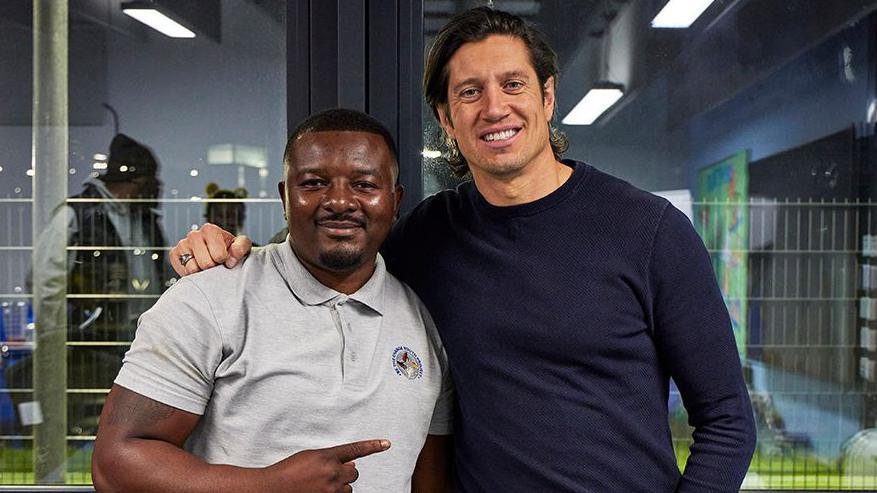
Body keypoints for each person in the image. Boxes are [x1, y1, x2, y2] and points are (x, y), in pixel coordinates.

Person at [172, 7, 756, 492]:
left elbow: (727, 421)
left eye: (514, 84)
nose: (494, 107)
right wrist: (234, 251)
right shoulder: (430, 236)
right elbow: (332, 251)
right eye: (469, 92)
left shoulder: (648, 230)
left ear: (548, 97)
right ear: (446, 118)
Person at [92, 109, 454, 492]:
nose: (340, 201)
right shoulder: (210, 299)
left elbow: (429, 480)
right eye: (314, 183)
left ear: (395, 201)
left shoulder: (423, 320)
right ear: (285, 196)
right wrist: (265, 486)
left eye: (365, 185)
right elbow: (116, 464)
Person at [7, 133, 168, 437]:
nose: (158, 189)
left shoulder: (145, 221)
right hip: (91, 340)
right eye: (152, 180)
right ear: (137, 181)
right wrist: (55, 338)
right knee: (89, 413)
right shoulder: (77, 214)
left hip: (140, 341)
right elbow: (46, 281)